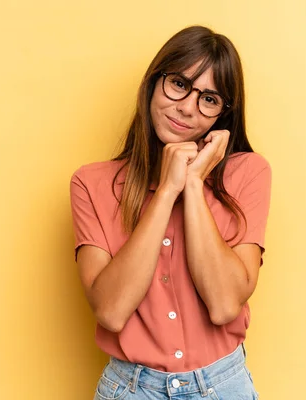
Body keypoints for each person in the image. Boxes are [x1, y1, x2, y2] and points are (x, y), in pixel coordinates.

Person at [70, 25, 271, 400]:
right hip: (130, 390)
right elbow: (111, 312)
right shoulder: (90, 184)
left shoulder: (248, 173)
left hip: (223, 387)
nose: (187, 107)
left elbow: (225, 304)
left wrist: (194, 183)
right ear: (153, 82)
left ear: (223, 114)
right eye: (179, 84)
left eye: (209, 99)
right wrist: (166, 191)